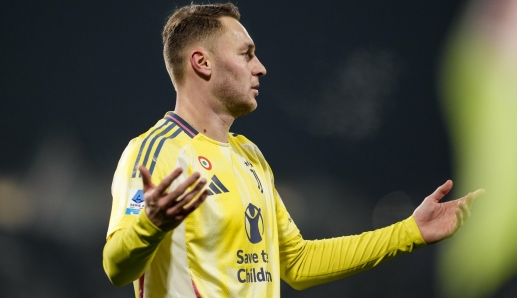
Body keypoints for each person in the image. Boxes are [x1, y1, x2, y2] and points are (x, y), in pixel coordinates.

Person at [103, 3, 483, 297]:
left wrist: (410, 231)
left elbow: (297, 263)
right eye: (247, 54)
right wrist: (150, 224)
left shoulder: (249, 156)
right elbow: (116, 266)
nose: (261, 67)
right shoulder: (156, 151)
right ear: (202, 63)